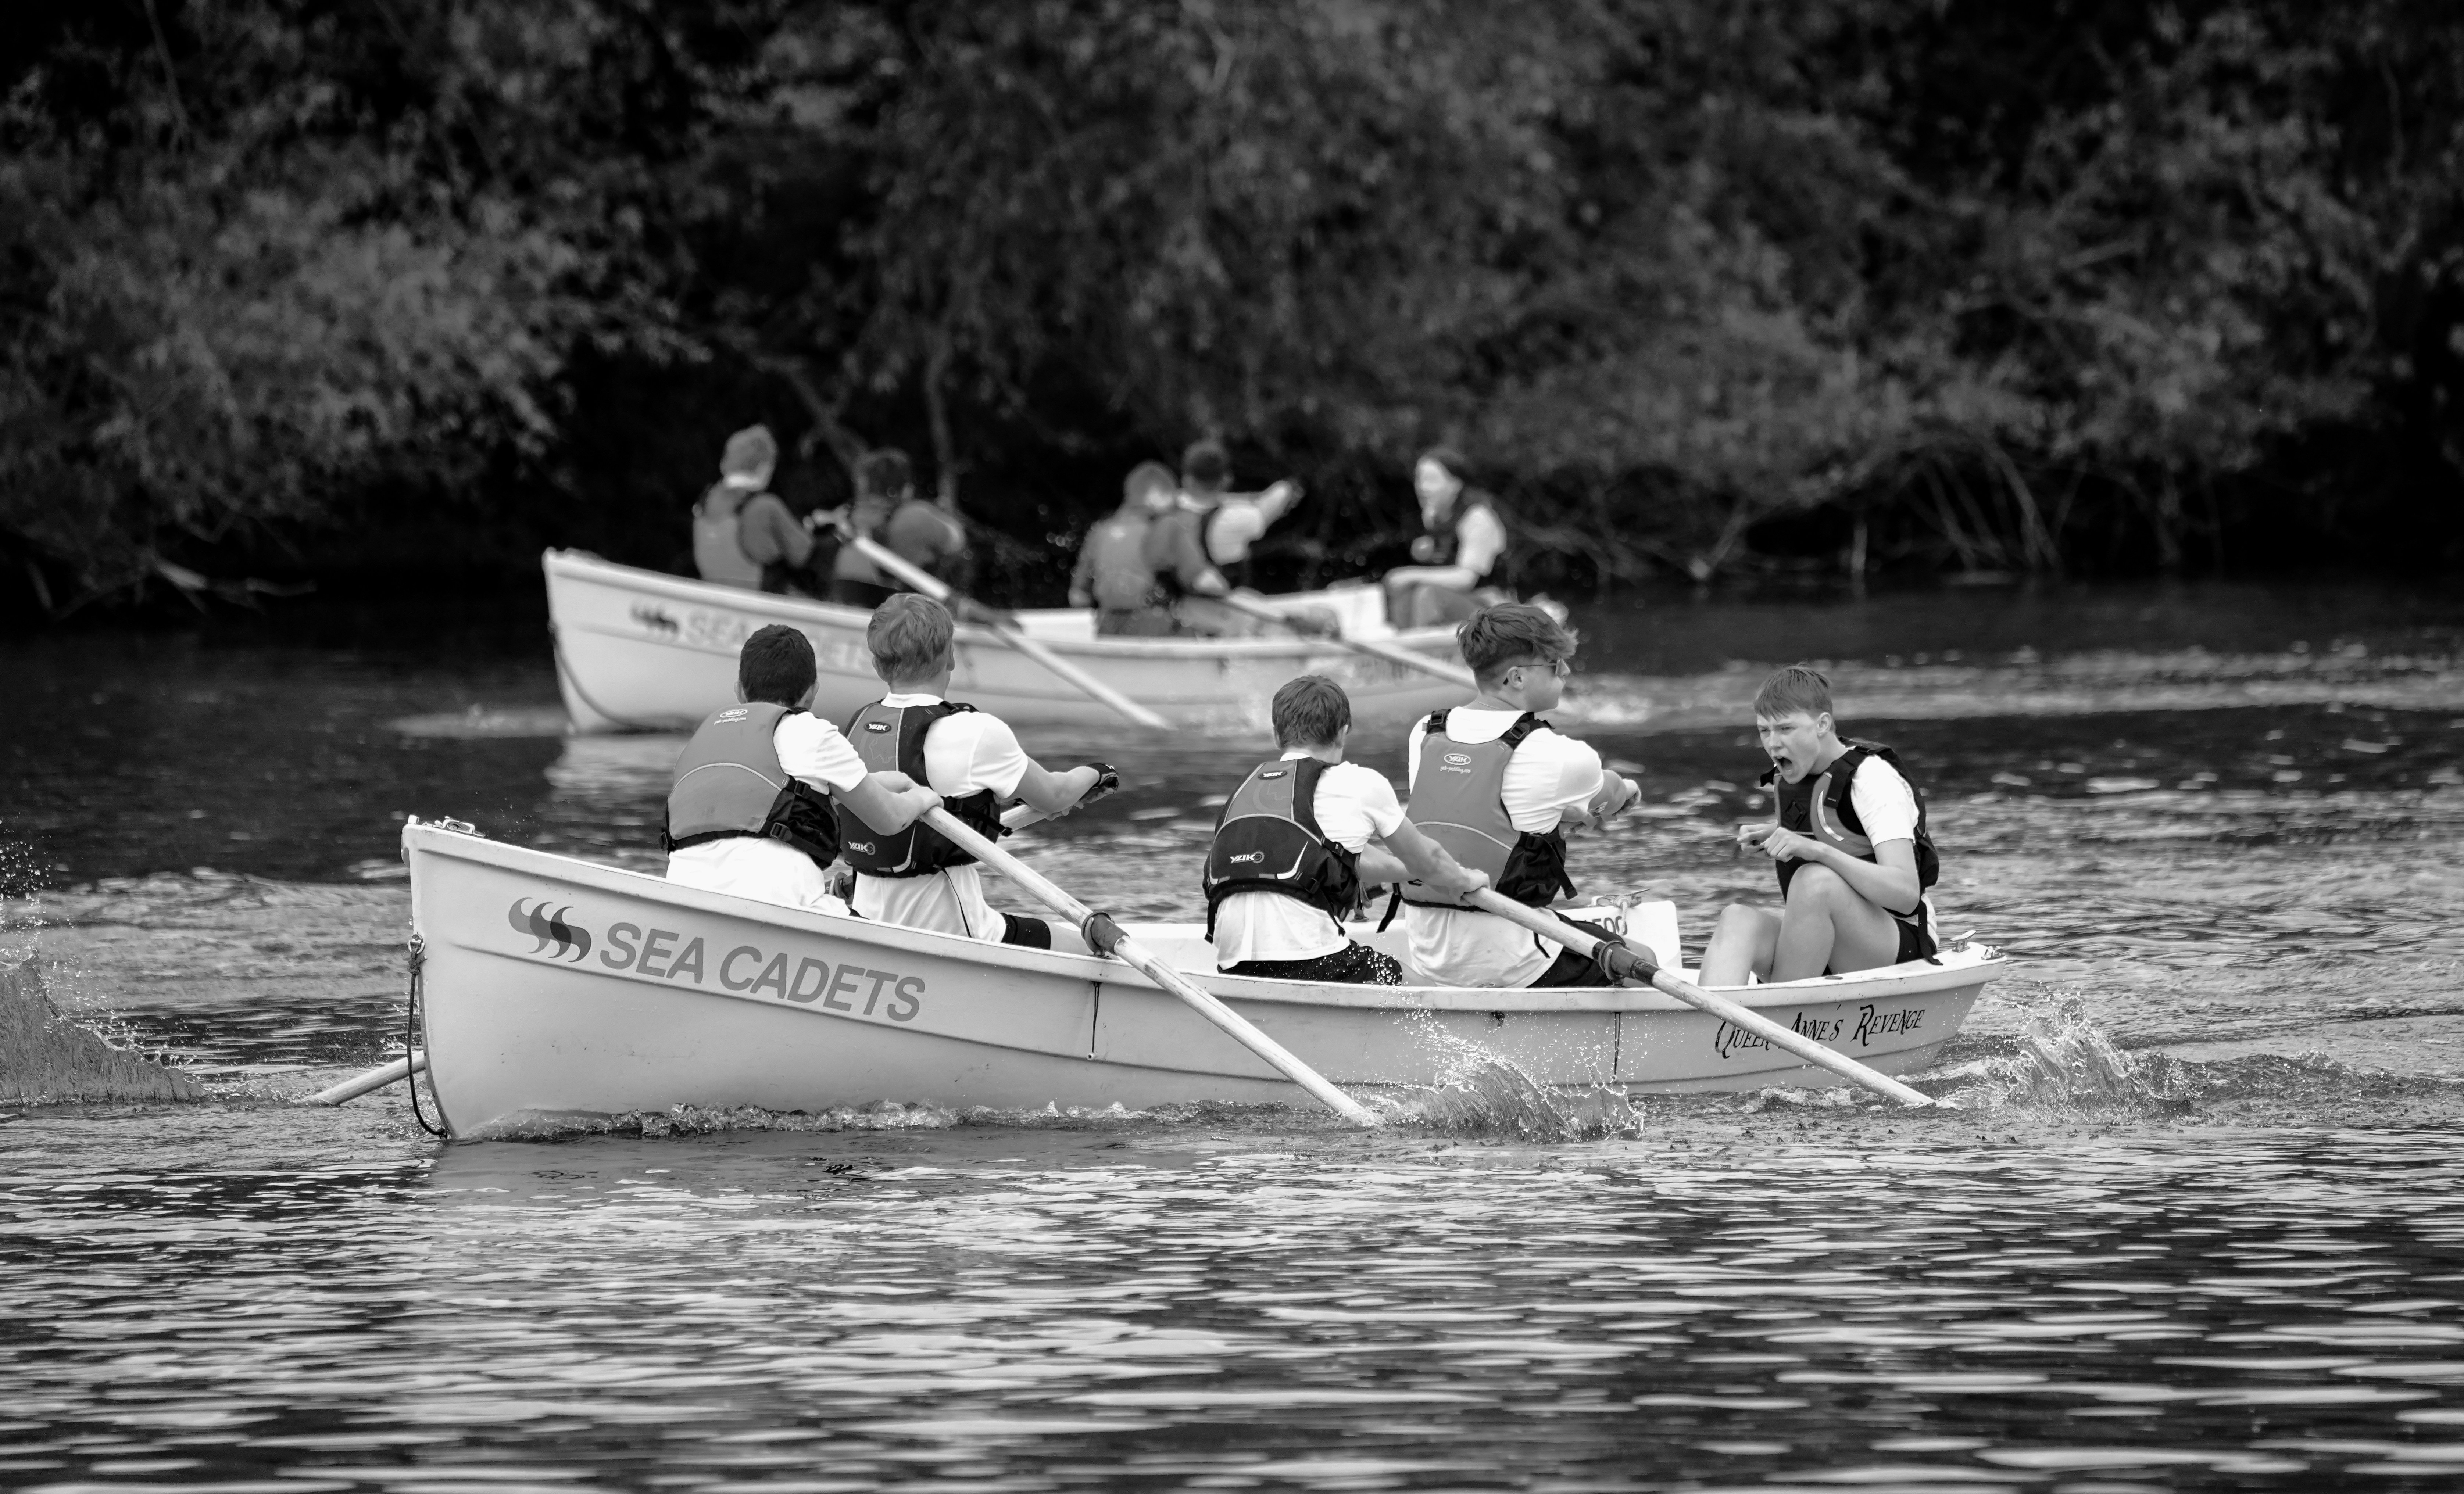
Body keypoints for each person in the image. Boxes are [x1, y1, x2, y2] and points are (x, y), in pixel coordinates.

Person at [840, 594, 1119, 945]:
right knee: (1085, 949)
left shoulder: (854, 729)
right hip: (955, 931)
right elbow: (1055, 796)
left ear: (879, 666)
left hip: (866, 922)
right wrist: (1099, 772)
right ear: (951, 657)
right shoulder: (975, 732)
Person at [1397, 603, 1644, 988]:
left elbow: (1468, 813)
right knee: (1645, 960)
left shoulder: (1426, 731)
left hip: (1430, 952)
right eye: (1554, 663)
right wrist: (1628, 790)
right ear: (1516, 678)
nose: (1565, 671)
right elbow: (1608, 797)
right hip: (1516, 961)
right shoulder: (1558, 754)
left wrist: (1561, 819)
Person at [1203, 675, 1489, 984]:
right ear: (1342, 734)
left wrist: (1406, 875)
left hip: (1233, 965)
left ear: (1276, 735)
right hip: (1313, 962)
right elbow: (1429, 860)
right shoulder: (1361, 783)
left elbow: (1334, 856)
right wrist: (1464, 879)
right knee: (1426, 991)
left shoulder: (1247, 790)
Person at [662, 625, 941, 911]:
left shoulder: (706, 737)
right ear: (811, 695)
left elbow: (774, 792)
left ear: (740, 692)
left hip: (686, 896)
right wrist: (924, 797)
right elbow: (891, 819)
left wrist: (878, 781)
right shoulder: (815, 733)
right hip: (775, 901)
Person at [1698, 666, 1941, 986]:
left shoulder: (1873, 781)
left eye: (1785, 729)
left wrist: (1816, 851)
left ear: (1822, 724)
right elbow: (1837, 828)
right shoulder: (1792, 772)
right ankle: (1712, 1024)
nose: (1773, 744)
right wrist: (1777, 834)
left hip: (1900, 943)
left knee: (1815, 882)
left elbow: (1906, 893)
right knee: (1736, 920)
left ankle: (1776, 1016)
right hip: (1824, 936)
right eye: (1764, 731)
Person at [1142, 438, 1303, 636]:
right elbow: (1279, 497)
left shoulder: (1165, 511)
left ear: (1186, 479)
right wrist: (1289, 486)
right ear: (1227, 480)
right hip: (1222, 614)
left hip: (1177, 611)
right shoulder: (1234, 519)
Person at [1381, 446, 1510, 629]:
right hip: (1460, 602)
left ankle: (1424, 648)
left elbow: (1466, 579)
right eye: (1420, 479)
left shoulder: (1478, 519)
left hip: (1492, 609)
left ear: (1455, 485)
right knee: (1403, 593)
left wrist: (1411, 575)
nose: (1423, 488)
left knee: (1428, 594)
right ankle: (1403, 647)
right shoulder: (1432, 514)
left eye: (1432, 480)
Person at [691, 425, 820, 594]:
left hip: (713, 597)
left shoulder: (705, 501)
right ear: (764, 467)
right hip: (757, 605)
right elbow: (804, 555)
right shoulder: (765, 506)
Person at [1070, 461, 1177, 635]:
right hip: (1153, 627)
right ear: (1155, 495)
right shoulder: (1162, 529)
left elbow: (1078, 595)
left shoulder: (1100, 531)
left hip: (1107, 626)